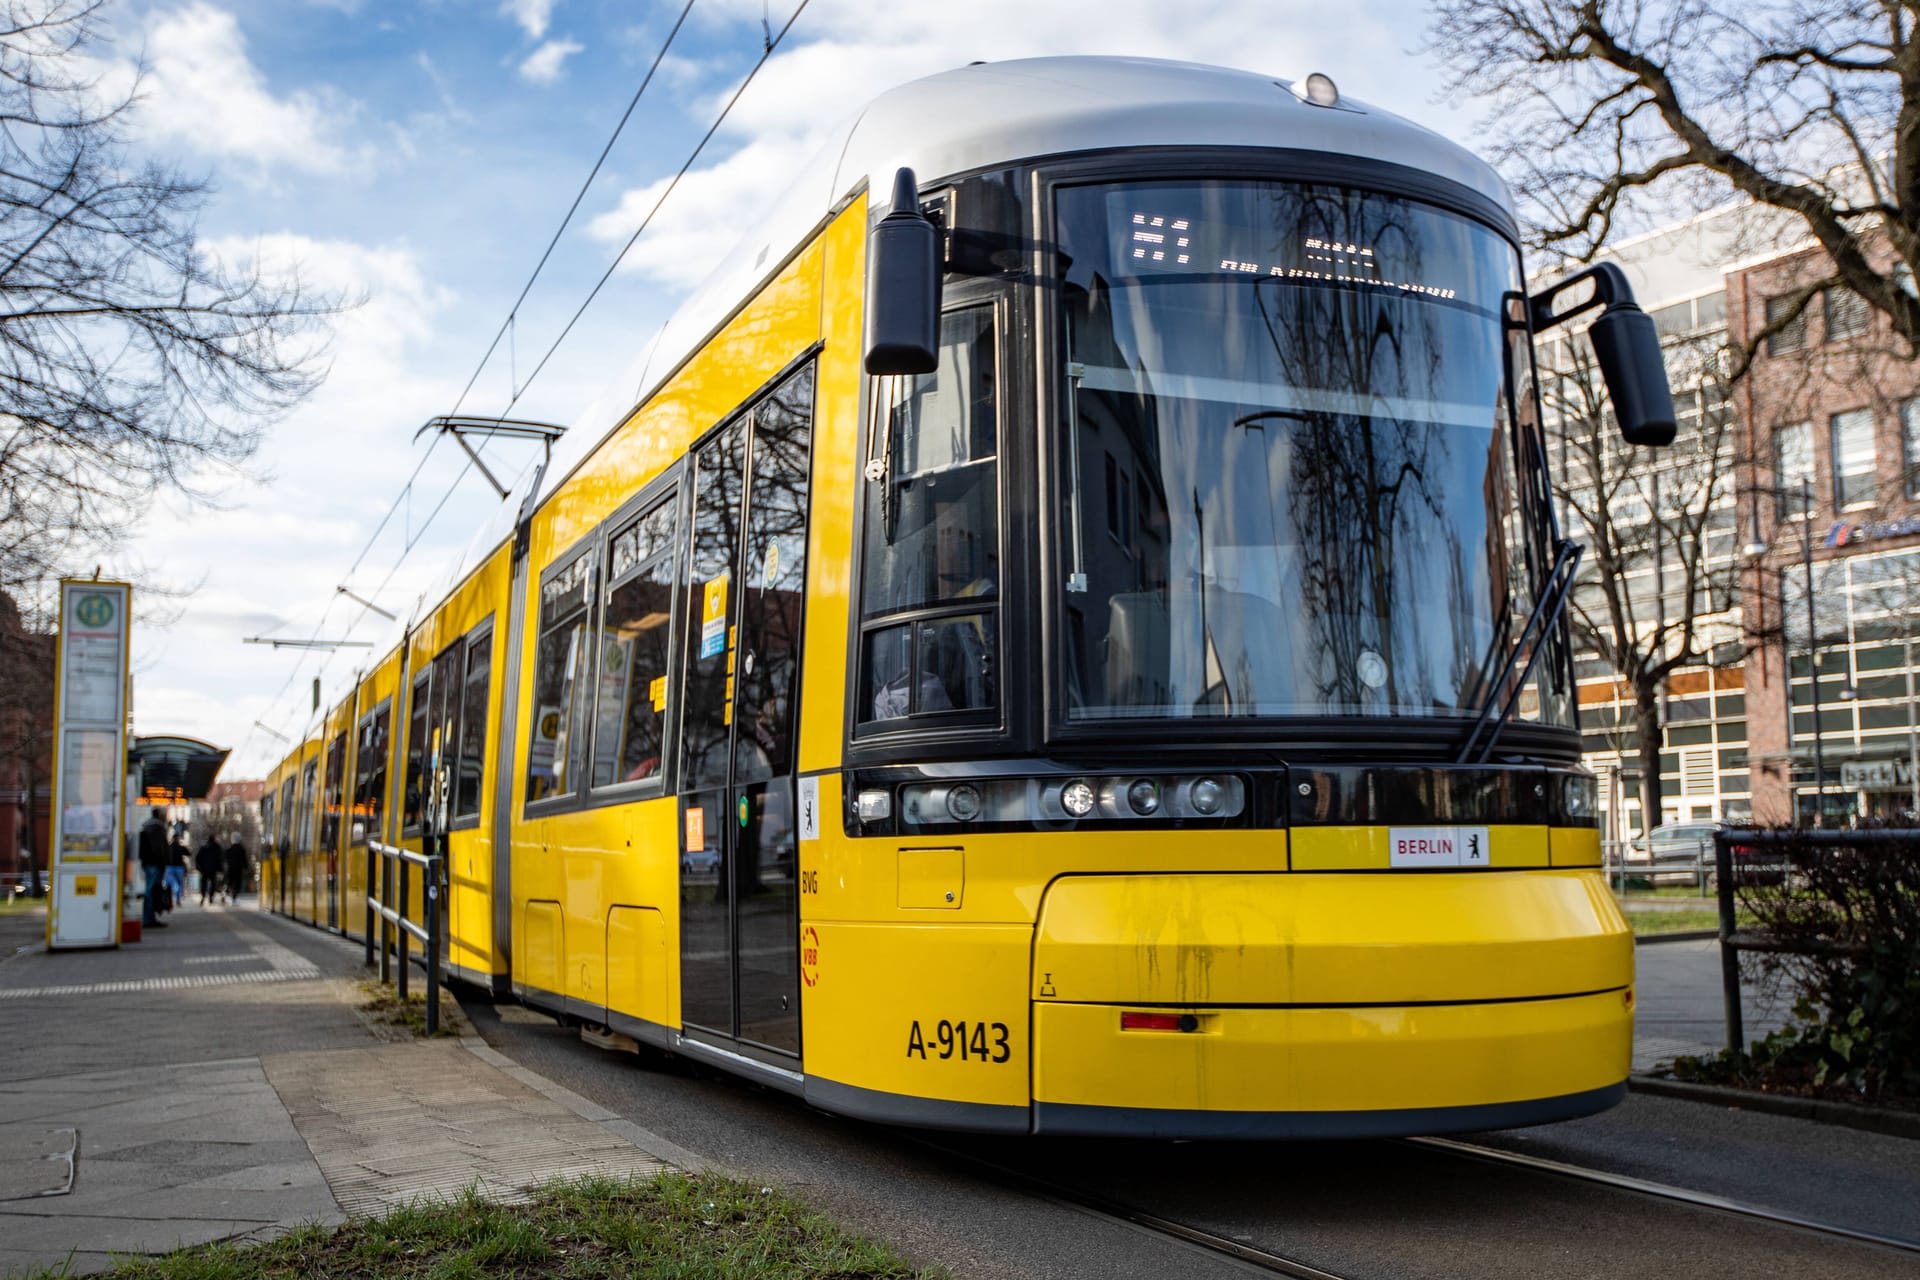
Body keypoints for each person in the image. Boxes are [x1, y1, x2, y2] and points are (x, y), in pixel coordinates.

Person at [137, 810, 169, 928]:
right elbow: (160, 849)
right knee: (151, 891)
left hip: (147, 863)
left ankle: (149, 917)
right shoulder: (158, 829)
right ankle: (148, 919)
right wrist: (163, 864)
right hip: (155, 864)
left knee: (149, 890)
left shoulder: (146, 827)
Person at [195, 836, 224, 905]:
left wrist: (199, 867)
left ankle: (203, 896)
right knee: (213, 884)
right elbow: (220, 858)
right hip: (213, 869)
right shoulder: (217, 847)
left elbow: (197, 858)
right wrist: (220, 868)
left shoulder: (204, 847)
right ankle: (211, 897)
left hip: (204, 869)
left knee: (203, 883)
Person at [164, 832, 188, 912]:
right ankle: (177, 898)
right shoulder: (180, 847)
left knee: (170, 884)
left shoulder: (169, 847)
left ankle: (169, 900)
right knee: (179, 883)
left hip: (169, 867)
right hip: (178, 867)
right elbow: (188, 853)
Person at [224, 837, 249, 902]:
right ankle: (234, 893)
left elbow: (225, 859)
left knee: (230, 882)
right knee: (237, 882)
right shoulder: (241, 849)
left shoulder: (229, 849)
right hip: (238, 869)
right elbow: (244, 859)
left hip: (231, 869)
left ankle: (226, 892)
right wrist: (246, 867)